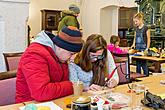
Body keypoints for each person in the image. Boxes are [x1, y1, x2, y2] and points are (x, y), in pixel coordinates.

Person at [16, 26, 83, 103]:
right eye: (71, 53)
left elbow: (61, 84)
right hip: (30, 104)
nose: (72, 58)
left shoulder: (60, 56)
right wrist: (71, 86)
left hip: (53, 102)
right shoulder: (34, 55)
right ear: (60, 46)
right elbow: (41, 92)